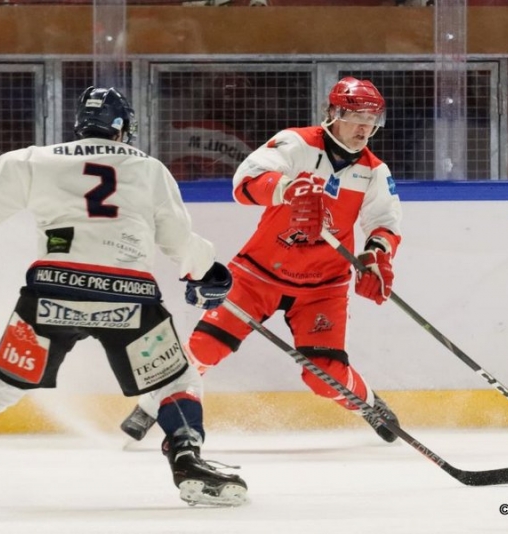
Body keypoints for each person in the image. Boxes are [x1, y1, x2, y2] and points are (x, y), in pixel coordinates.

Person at [0, 86, 247, 507]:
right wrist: (203, 270)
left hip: (52, 289)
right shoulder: (149, 169)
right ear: (122, 129)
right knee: (177, 380)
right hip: (129, 296)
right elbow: (176, 237)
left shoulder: (36, 159)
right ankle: (187, 460)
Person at [122, 76, 402, 444]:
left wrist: (376, 256)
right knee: (205, 346)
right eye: (355, 115)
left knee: (324, 374)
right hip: (259, 274)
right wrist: (287, 189)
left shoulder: (374, 171)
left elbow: (384, 222)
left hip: (323, 287)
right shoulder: (297, 143)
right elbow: (244, 181)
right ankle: (150, 405)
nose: (365, 126)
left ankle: (367, 403)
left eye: (372, 118)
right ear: (332, 114)